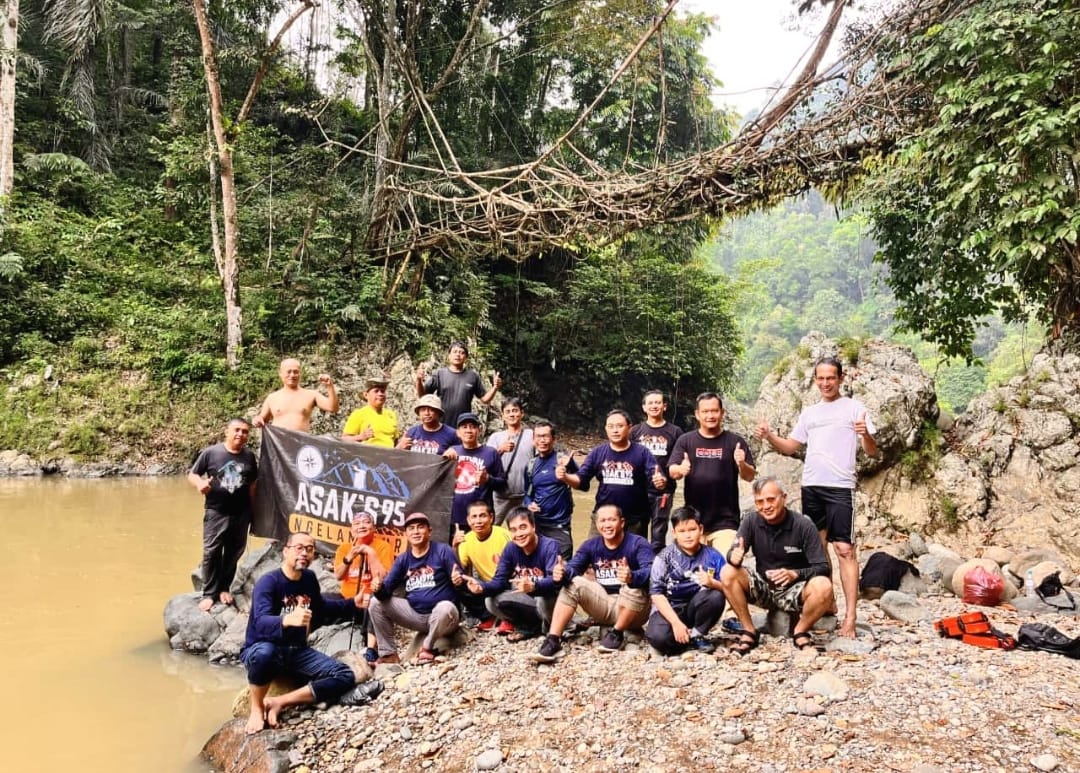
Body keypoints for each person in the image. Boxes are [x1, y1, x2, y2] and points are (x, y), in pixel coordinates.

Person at [754, 356, 877, 639]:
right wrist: (769, 436)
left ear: (841, 378)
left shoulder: (854, 408)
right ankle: (828, 602)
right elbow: (790, 447)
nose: (825, 383)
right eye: (820, 378)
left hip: (840, 487)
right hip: (812, 486)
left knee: (844, 549)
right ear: (815, 380)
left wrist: (866, 436)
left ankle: (850, 617)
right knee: (817, 548)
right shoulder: (810, 413)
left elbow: (872, 452)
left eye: (830, 378)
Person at [240, 532, 375, 734]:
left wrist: (352, 604)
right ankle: (257, 707)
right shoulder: (268, 582)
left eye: (309, 549)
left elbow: (321, 609)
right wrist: (286, 619)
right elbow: (260, 622)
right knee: (264, 654)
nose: (304, 553)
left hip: (296, 651)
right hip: (262, 648)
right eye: (299, 548)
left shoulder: (309, 579)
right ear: (286, 551)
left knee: (345, 675)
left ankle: (279, 701)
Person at [718, 477, 832, 655]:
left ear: (784, 498)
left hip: (794, 590)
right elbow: (734, 552)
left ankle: (800, 631)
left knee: (823, 585)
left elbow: (823, 567)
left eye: (771, 499)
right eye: (760, 502)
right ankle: (749, 630)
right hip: (764, 588)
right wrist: (733, 556)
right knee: (727, 571)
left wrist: (795, 574)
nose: (766, 506)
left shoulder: (803, 525)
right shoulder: (751, 521)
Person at [532, 504, 655, 662]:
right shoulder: (591, 545)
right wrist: (562, 573)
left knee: (634, 586)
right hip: (605, 604)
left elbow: (652, 571)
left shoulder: (638, 543)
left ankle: (617, 634)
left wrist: (632, 576)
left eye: (611, 520)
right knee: (573, 583)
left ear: (622, 522)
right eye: (602, 521)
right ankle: (553, 639)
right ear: (597, 524)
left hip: (634, 610)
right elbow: (574, 568)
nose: (607, 525)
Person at [368, 512, 462, 664]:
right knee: (375, 603)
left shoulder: (443, 550)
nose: (416, 532)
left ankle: (427, 648)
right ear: (406, 534)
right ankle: (388, 654)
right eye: (411, 528)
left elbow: (461, 579)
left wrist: (458, 581)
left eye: (420, 527)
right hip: (415, 615)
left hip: (444, 617)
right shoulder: (403, 559)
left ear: (429, 531)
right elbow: (385, 592)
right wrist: (378, 588)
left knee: (445, 607)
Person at [668, 392, 756, 555]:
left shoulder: (735, 442)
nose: (710, 416)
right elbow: (673, 471)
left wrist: (742, 464)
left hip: (726, 521)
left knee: (726, 563)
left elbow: (750, 476)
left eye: (714, 411)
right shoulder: (686, 440)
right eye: (705, 411)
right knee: (694, 568)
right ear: (697, 414)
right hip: (693, 522)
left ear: (722, 413)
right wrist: (681, 469)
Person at [188, 418, 258, 612]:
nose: (240, 434)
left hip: (241, 512)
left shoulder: (249, 456)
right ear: (226, 432)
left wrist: (254, 512)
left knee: (234, 552)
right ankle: (209, 593)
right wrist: (200, 484)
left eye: (245, 431)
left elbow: (252, 485)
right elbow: (192, 474)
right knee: (211, 552)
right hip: (216, 511)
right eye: (237, 430)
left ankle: (224, 588)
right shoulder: (211, 453)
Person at [558, 409, 665, 538]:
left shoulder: (642, 452)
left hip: (634, 520)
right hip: (603, 518)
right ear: (606, 429)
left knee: (635, 551)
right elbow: (581, 480)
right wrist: (566, 477)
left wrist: (660, 481)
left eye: (619, 426)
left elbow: (656, 476)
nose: (615, 430)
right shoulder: (597, 453)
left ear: (629, 428)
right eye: (611, 426)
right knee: (593, 550)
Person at [460, 507, 562, 641]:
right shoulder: (511, 548)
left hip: (550, 601)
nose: (518, 534)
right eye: (513, 530)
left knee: (544, 597)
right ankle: (528, 626)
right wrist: (481, 587)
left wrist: (534, 586)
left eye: (523, 527)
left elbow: (554, 582)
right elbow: (499, 581)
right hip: (528, 600)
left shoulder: (550, 546)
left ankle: (554, 629)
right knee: (490, 601)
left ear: (533, 527)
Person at [646, 507, 727, 655]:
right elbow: (656, 594)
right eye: (682, 531)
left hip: (696, 606)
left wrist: (713, 583)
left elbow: (730, 587)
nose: (688, 535)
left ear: (701, 529)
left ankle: (697, 634)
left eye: (692, 530)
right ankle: (686, 641)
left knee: (716, 596)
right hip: (670, 608)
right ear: (674, 533)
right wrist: (676, 623)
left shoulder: (713, 556)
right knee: (658, 638)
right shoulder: (664, 557)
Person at [333, 511, 396, 660]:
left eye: (366, 522)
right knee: (323, 599)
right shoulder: (344, 548)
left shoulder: (383, 546)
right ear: (351, 529)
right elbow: (338, 576)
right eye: (357, 523)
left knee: (377, 601)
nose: (361, 526)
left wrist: (371, 553)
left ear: (373, 528)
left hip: (369, 602)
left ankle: (370, 648)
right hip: (348, 601)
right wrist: (349, 558)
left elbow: (384, 578)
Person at [631, 390, 683, 552]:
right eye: (650, 403)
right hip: (638, 490)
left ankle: (657, 564)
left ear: (664, 406)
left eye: (658, 402)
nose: (654, 406)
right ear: (644, 407)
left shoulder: (675, 432)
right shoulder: (635, 432)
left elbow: (679, 461)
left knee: (658, 535)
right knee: (636, 533)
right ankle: (639, 564)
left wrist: (670, 476)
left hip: (663, 492)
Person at [444, 412, 506, 536]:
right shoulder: (452, 452)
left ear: (479, 430)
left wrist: (487, 479)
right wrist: (443, 458)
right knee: (456, 548)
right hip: (454, 517)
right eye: (464, 427)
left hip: (480, 517)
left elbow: (502, 484)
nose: (469, 430)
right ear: (458, 432)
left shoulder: (491, 453)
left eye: (472, 427)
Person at [523, 421, 578, 559]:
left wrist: (569, 468)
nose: (542, 440)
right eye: (538, 436)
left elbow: (583, 483)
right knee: (537, 566)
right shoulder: (530, 465)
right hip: (537, 526)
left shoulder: (563, 460)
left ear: (554, 439)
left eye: (545, 436)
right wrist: (529, 504)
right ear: (533, 440)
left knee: (562, 566)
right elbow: (527, 494)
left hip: (560, 526)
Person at [454, 501, 511, 632]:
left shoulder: (504, 535)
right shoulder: (466, 539)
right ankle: (488, 617)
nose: (478, 521)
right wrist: (455, 546)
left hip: (507, 582)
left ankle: (509, 618)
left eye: (482, 516)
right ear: (468, 520)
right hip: (486, 585)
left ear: (491, 518)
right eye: (474, 517)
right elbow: (458, 569)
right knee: (458, 581)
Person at [415, 341, 501, 428]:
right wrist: (418, 380)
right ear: (449, 355)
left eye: (461, 352)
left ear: (466, 358)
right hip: (442, 424)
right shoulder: (439, 374)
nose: (458, 355)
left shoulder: (473, 376)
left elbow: (485, 399)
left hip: (463, 425)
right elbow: (423, 396)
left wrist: (495, 387)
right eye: (455, 352)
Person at [253, 358, 339, 432]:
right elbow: (262, 420)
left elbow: (333, 408)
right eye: (288, 372)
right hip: (278, 443)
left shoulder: (311, 395)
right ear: (280, 373)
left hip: (301, 443)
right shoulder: (272, 398)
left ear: (300, 373)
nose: (292, 375)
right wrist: (257, 419)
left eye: (295, 372)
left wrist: (329, 386)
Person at [485, 398, 534, 524]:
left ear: (522, 413)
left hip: (525, 495)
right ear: (503, 416)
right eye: (508, 411)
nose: (512, 414)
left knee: (525, 527)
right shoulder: (496, 438)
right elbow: (486, 463)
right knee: (492, 527)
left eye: (515, 410)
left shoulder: (531, 435)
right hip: (501, 495)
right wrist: (500, 450)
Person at [341, 374, 400, 447]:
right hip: (369, 453)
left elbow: (395, 441)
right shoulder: (359, 414)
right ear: (366, 395)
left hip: (389, 453)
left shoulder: (391, 415)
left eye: (382, 391)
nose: (380, 394)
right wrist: (361, 437)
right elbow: (344, 439)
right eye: (376, 391)